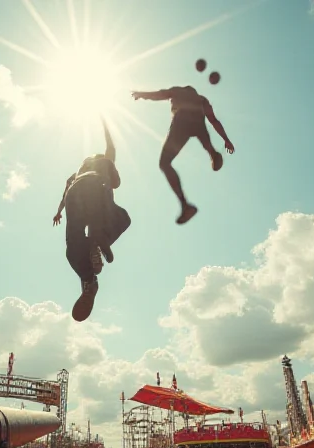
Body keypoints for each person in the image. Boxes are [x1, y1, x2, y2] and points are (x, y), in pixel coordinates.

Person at [53, 119, 130, 323]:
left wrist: (59, 211)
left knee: (73, 245)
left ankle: (88, 281)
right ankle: (97, 243)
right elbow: (111, 147)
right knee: (122, 218)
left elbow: (66, 189)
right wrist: (106, 125)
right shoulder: (105, 162)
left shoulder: (77, 171)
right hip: (96, 188)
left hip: (73, 196)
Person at [131, 85, 234, 225]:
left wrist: (142, 94)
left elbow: (161, 94)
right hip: (198, 121)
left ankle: (185, 205)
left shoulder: (178, 91)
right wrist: (226, 139)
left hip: (182, 121)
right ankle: (212, 152)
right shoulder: (201, 99)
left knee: (164, 163)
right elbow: (213, 120)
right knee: (202, 133)